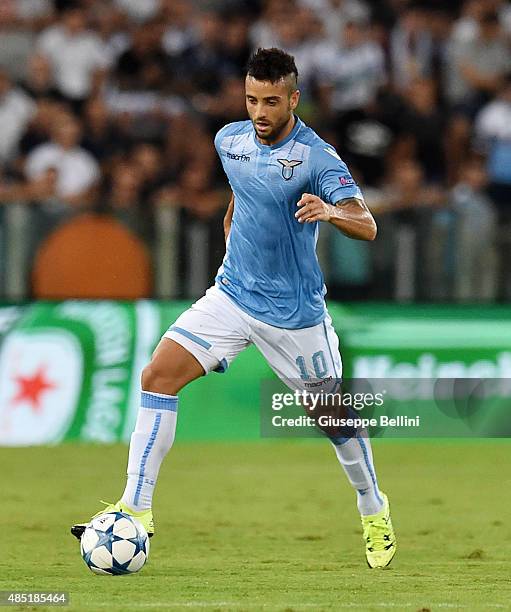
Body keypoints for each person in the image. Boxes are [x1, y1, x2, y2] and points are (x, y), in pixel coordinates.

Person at [71, 47, 396, 569]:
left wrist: (330, 211)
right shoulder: (230, 140)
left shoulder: (318, 157)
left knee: (332, 418)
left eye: (271, 101)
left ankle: (372, 507)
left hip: (294, 316)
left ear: (293, 98)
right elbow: (243, 193)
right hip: (231, 295)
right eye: (251, 100)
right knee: (158, 375)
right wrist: (232, 232)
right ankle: (138, 507)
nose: (260, 112)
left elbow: (368, 224)